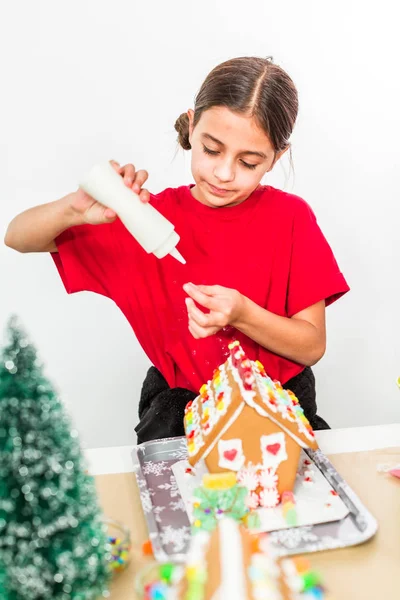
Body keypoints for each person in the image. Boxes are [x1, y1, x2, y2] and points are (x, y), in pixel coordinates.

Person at [4, 56, 349, 443]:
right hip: (179, 409)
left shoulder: (290, 219)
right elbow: (17, 237)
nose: (224, 173)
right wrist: (73, 209)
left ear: (276, 158)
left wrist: (243, 314)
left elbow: (311, 345)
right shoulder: (144, 219)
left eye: (248, 162)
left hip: (279, 400)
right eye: (212, 149)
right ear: (192, 125)